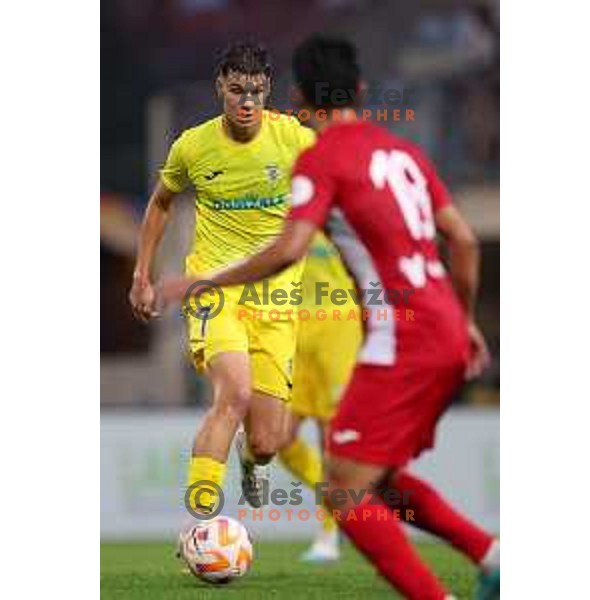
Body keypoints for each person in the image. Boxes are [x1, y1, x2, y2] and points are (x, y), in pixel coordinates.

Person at [160, 35, 500, 599]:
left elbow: (289, 248)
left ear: (297, 98)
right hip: (443, 330)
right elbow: (463, 241)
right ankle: (491, 556)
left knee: (341, 491)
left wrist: (206, 279)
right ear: (361, 91)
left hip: (399, 339)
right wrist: (464, 321)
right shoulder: (404, 153)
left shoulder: (323, 157)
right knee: (375, 479)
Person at [129, 42, 315, 517]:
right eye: (236, 91)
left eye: (255, 91)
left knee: (268, 440)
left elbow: (338, 180)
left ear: (268, 89)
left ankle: (253, 461)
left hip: (277, 301)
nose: (246, 101)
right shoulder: (193, 145)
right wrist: (141, 274)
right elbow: (161, 203)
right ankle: (202, 523)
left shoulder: (293, 138)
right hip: (213, 292)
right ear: (220, 89)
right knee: (234, 392)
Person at [278, 232, 362, 561]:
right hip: (291, 330)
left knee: (331, 434)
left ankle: (329, 534)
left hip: (336, 327)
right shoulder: (266, 209)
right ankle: (339, 498)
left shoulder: (331, 209)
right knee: (277, 439)